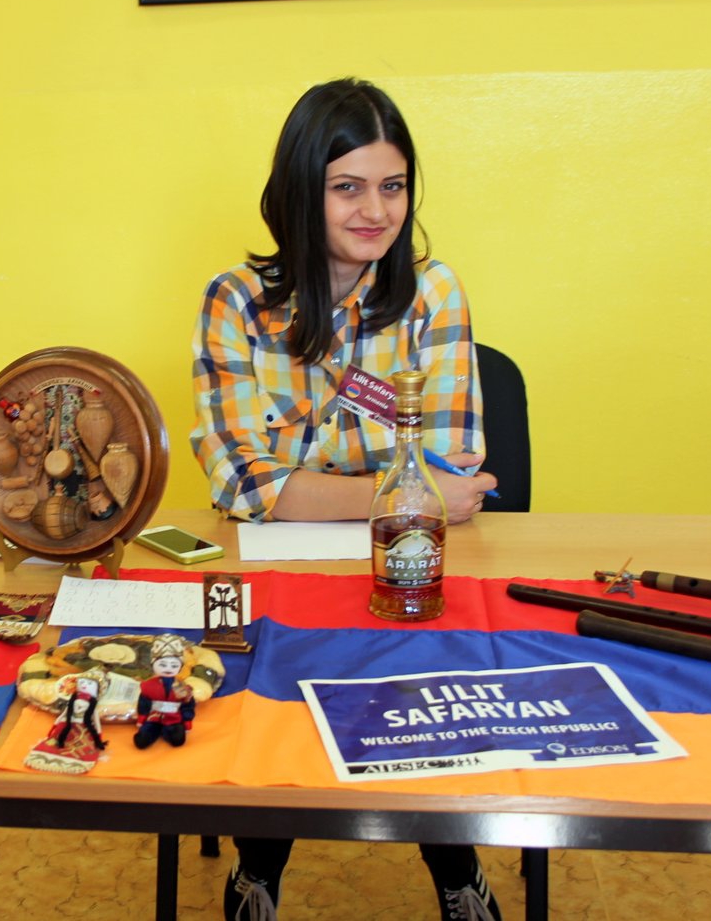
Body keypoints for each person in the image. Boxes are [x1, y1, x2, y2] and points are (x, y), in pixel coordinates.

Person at [189, 78, 501, 921]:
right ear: (302, 189)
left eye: (392, 186)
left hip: (406, 566)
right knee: (278, 663)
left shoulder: (433, 293)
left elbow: (448, 474)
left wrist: (308, 489)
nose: (376, 210)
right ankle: (259, 866)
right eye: (348, 187)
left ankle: (456, 872)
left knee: (417, 667)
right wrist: (392, 490)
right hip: (277, 573)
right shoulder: (237, 302)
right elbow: (241, 484)